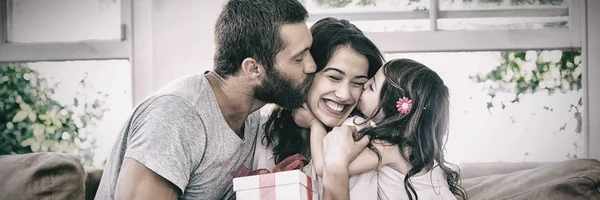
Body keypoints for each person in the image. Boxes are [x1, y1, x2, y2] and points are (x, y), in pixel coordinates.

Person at [95, 0, 317, 199]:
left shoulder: (250, 118)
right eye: (299, 58)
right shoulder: (177, 116)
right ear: (253, 68)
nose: (312, 66)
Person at [297, 59, 468, 200]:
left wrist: (314, 123)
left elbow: (325, 167)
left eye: (371, 86)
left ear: (390, 110)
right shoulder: (419, 151)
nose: (363, 86)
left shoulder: (389, 147)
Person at [253, 17, 384, 197]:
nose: (345, 94)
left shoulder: (359, 136)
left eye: (358, 83)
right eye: (334, 78)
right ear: (307, 71)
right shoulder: (266, 129)